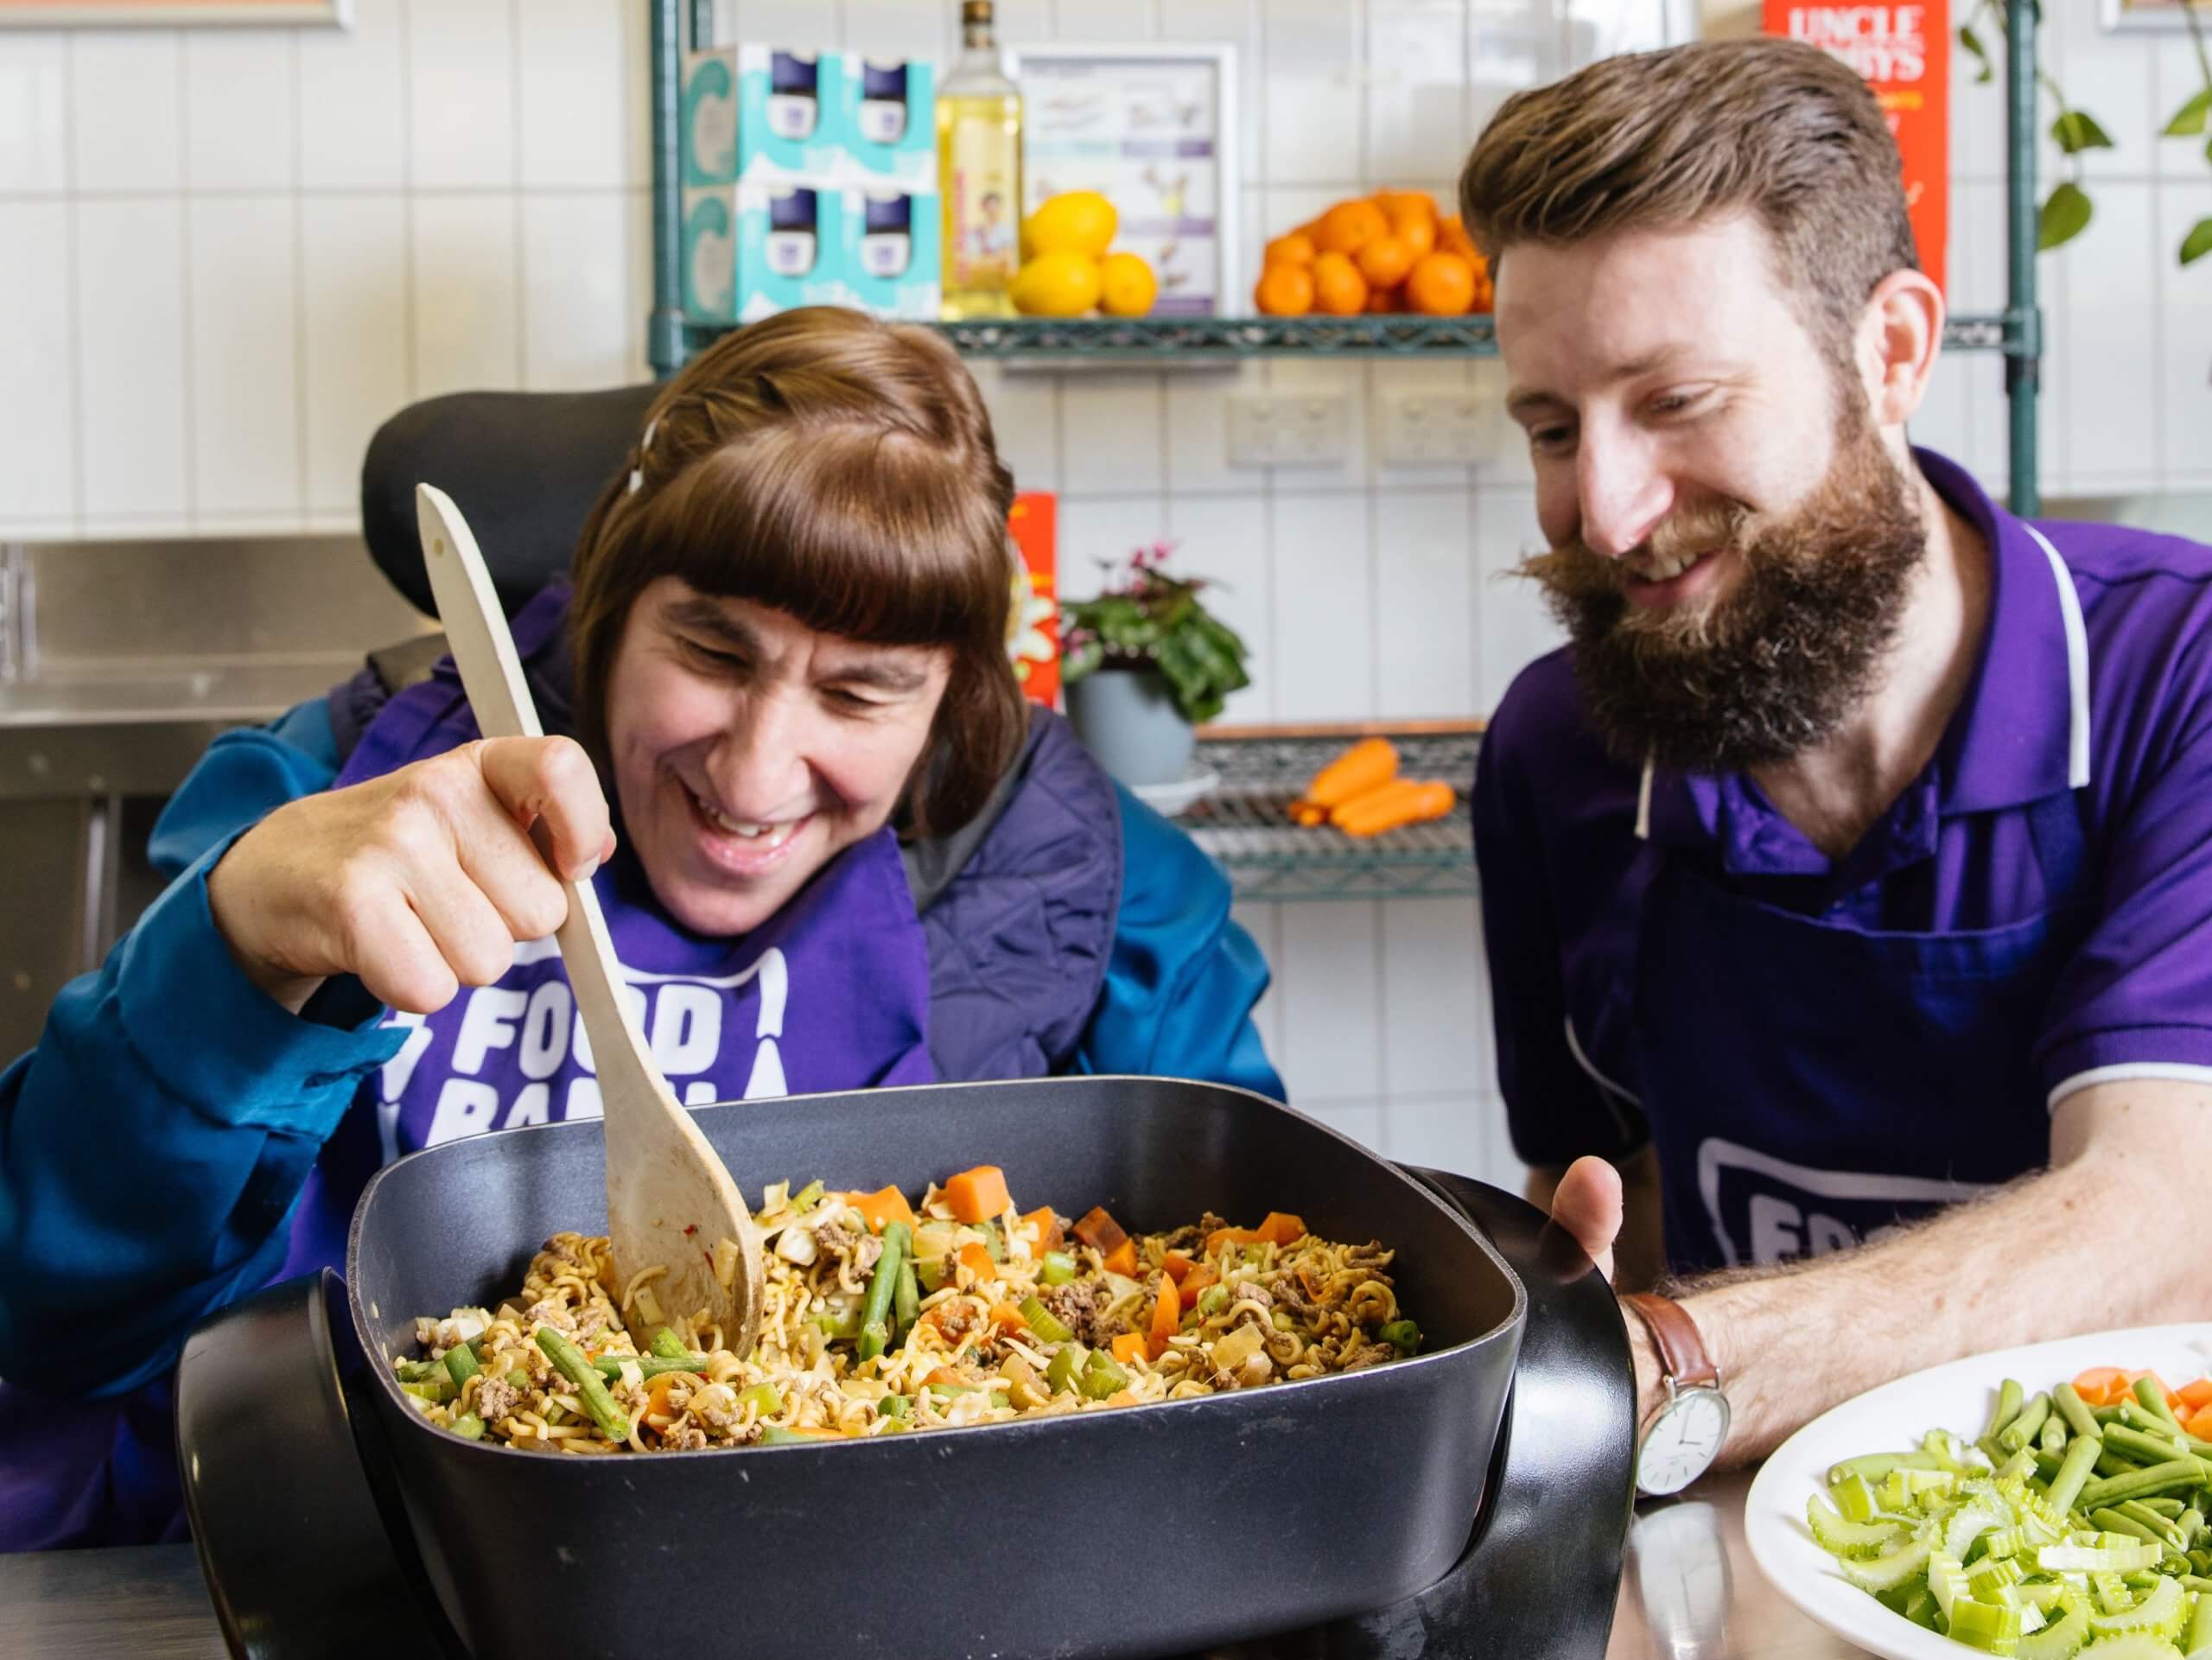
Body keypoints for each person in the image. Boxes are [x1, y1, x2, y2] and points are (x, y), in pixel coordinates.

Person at [0, 308, 1281, 1550]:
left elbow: (1252, 1357)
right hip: (333, 1542)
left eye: (858, 694)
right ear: (612, 606)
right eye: (714, 653)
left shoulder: (1105, 905)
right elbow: (51, 1318)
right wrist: (232, 955)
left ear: (954, 701)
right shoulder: (333, 796)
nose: (756, 771)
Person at [1463, 39, 2212, 1490]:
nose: (1604, 514)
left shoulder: (2176, 678)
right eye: (1552, 428)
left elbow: (2167, 1220)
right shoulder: (1557, 753)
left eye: (1676, 401)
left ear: (1894, 350)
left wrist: (1677, 1362)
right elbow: (1617, 1210)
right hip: (1744, 1528)